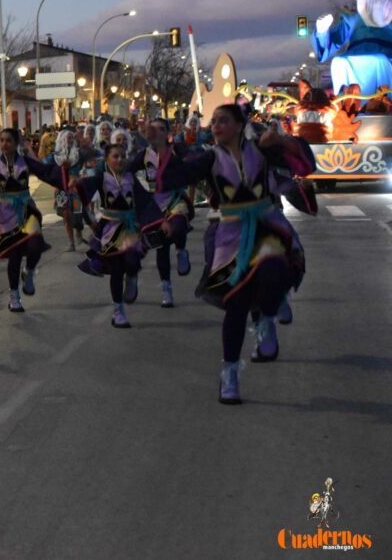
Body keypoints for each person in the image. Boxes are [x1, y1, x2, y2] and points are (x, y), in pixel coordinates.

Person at [161, 104, 315, 404]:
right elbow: (173, 178)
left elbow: (305, 165)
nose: (216, 126)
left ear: (239, 124)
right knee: (237, 303)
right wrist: (161, 147)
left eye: (223, 121)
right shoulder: (210, 158)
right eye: (213, 122)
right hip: (230, 236)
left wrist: (281, 140)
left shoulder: (262, 150)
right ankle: (230, 374)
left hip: (267, 225)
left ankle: (267, 319)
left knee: (274, 270)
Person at [0, 128, 65, 312]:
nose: (4, 144)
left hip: (26, 208)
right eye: (2, 140)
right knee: (14, 255)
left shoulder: (26, 162)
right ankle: (14, 296)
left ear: (16, 143)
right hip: (6, 215)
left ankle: (28, 273)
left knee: (35, 244)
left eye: (8, 141)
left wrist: (66, 177)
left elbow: (46, 172)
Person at [74, 143, 150, 328]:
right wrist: (75, 182)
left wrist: (156, 221)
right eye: (115, 156)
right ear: (107, 159)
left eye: (123, 156)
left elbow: (145, 201)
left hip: (130, 227)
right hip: (109, 228)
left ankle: (132, 277)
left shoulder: (132, 179)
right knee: (116, 269)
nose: (120, 159)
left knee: (132, 260)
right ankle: (118, 312)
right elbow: (82, 189)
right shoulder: (101, 178)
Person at [128, 118, 193, 308]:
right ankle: (166, 289)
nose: (156, 132)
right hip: (154, 206)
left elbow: (195, 162)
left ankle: (181, 251)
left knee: (179, 226)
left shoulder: (177, 150)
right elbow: (127, 172)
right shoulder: (144, 155)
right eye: (152, 129)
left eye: (161, 129)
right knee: (162, 246)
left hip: (174, 199)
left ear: (167, 132)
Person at [49, 129, 85, 252]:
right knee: (65, 215)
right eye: (67, 138)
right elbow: (46, 168)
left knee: (78, 213)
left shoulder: (78, 154)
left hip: (75, 189)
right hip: (61, 189)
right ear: (61, 139)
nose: (70, 140)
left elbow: (85, 166)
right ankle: (71, 243)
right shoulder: (55, 156)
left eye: (71, 138)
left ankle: (79, 230)